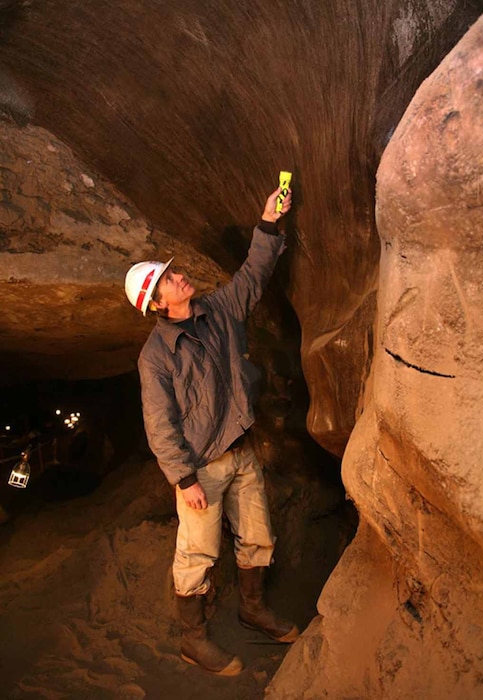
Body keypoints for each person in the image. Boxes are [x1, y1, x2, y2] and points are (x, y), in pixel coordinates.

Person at [124, 185, 298, 676]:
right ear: (158, 304)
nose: (180, 277)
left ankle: (252, 608)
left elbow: (253, 274)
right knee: (197, 553)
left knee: (257, 536)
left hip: (241, 450)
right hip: (201, 468)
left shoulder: (218, 312)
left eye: (173, 272)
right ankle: (193, 640)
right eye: (169, 279)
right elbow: (160, 425)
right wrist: (185, 479)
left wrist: (268, 222)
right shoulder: (155, 357)